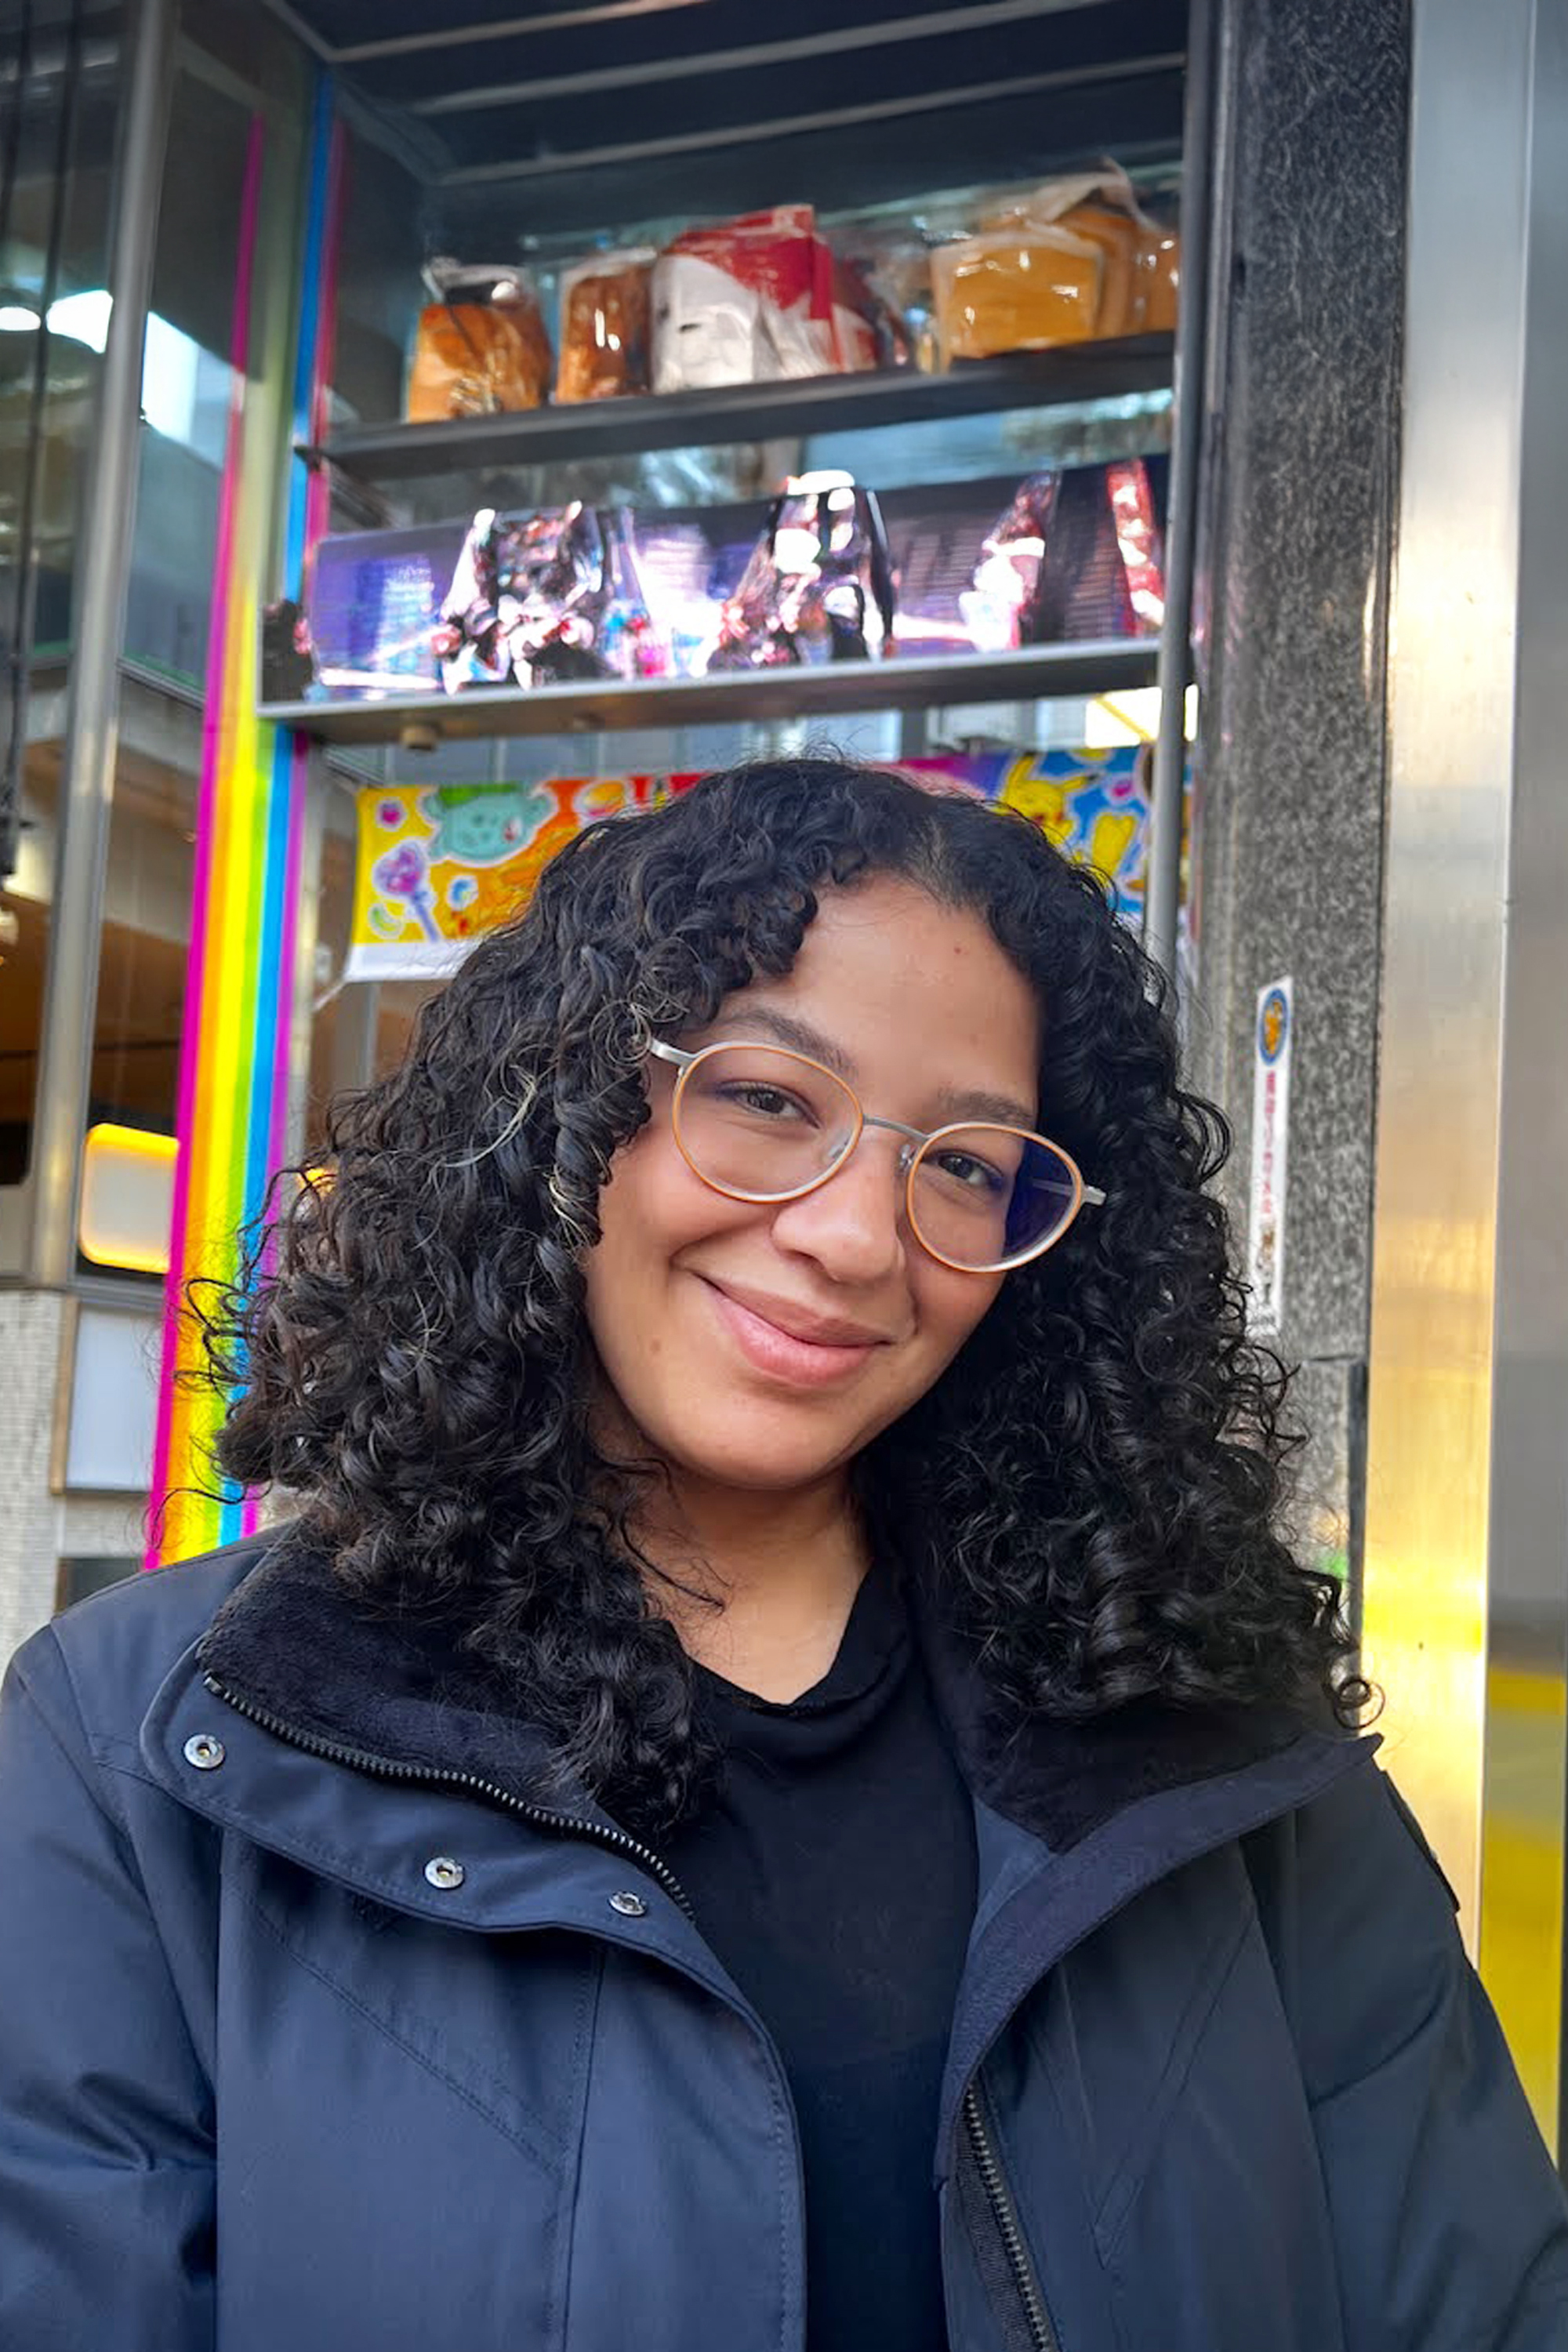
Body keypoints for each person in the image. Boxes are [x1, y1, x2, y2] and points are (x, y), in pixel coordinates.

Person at [1, 758, 1563, 2352]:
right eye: (764, 1099)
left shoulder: (1208, 1729)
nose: (857, 1236)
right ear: (562, 1108)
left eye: (968, 1163)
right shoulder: (142, 1746)